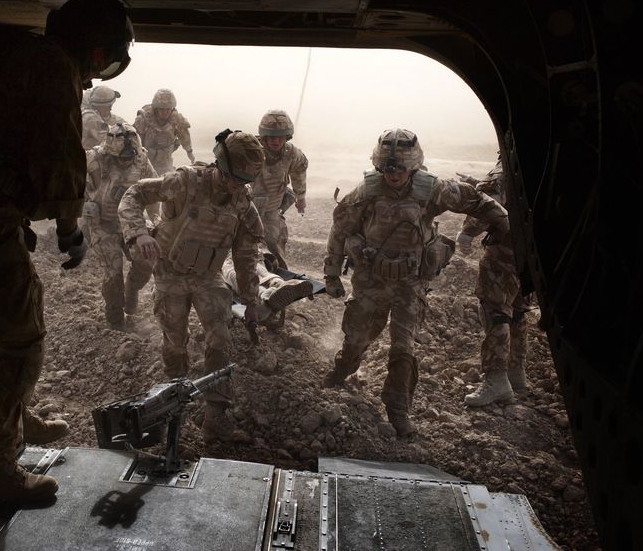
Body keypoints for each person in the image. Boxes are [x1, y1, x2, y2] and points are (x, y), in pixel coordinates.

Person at [0, 0, 134, 501]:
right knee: (21, 343)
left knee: (27, 303)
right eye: (101, 66)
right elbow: (60, 157)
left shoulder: (16, 51)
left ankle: (15, 419)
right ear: (97, 52)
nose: (94, 77)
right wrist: (70, 228)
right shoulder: (54, 69)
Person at [321, 128, 509, 438]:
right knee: (356, 338)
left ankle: (398, 410)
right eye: (387, 168)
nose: (393, 175)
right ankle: (343, 370)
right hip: (371, 280)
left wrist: (505, 223)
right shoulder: (367, 191)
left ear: (414, 167)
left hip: (410, 283)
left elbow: (475, 199)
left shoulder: (431, 189)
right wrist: (330, 274)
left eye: (400, 168)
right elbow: (339, 229)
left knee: (403, 346)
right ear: (379, 166)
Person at [118, 129, 265, 442]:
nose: (237, 186)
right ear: (220, 166)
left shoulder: (243, 206)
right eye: (232, 177)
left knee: (221, 338)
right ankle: (176, 398)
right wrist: (139, 233)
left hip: (207, 278)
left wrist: (251, 301)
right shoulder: (186, 181)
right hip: (170, 274)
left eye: (244, 181)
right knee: (175, 343)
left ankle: (216, 413)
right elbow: (134, 195)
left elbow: (246, 257)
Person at [457, 157, 536, 406]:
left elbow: (487, 204)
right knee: (519, 311)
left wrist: (466, 233)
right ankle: (516, 375)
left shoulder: (505, 169)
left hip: (504, 255)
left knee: (495, 311)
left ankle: (496, 380)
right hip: (530, 257)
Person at [83, 123, 157, 328]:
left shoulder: (141, 159)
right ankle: (115, 319)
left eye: (130, 158)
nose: (127, 161)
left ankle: (131, 290)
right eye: (122, 158)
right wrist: (86, 199)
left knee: (146, 261)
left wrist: (156, 218)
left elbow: (154, 189)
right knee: (113, 272)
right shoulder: (95, 158)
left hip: (131, 223)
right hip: (103, 225)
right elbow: (72, 179)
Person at [251, 110, 308, 269]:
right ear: (264, 136)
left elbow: (299, 170)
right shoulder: (251, 151)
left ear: (287, 137)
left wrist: (300, 197)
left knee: (274, 249)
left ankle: (279, 284)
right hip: (246, 209)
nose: (276, 141)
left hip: (271, 211)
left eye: (280, 137)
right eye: (271, 137)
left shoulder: (292, 154)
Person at [221, 255, 314, 327]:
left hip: (228, 256)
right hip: (255, 255)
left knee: (233, 273)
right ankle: (277, 283)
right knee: (260, 269)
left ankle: (263, 294)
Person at [133, 88, 195, 174]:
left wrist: (189, 152)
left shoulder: (176, 119)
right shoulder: (143, 119)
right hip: (144, 163)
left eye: (168, 109)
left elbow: (184, 136)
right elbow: (134, 142)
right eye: (162, 109)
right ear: (156, 108)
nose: (165, 112)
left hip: (165, 162)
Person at [81, 85, 126, 149]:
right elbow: (110, 142)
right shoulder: (90, 118)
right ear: (98, 106)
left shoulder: (111, 118)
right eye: (108, 106)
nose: (110, 109)